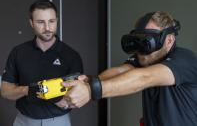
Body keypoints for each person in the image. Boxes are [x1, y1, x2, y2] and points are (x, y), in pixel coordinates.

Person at [62, 11, 197, 126]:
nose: (142, 50)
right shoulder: (146, 58)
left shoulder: (184, 60)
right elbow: (122, 70)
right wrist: (91, 81)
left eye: (149, 42)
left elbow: (145, 77)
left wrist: (92, 90)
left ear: (169, 41)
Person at [1, 0, 83, 126]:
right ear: (31, 23)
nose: (47, 28)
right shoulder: (18, 52)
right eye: (40, 22)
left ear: (57, 20)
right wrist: (28, 90)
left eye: (51, 21)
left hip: (58, 122)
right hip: (23, 121)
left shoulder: (71, 55)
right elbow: (5, 91)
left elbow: (76, 96)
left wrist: (48, 93)